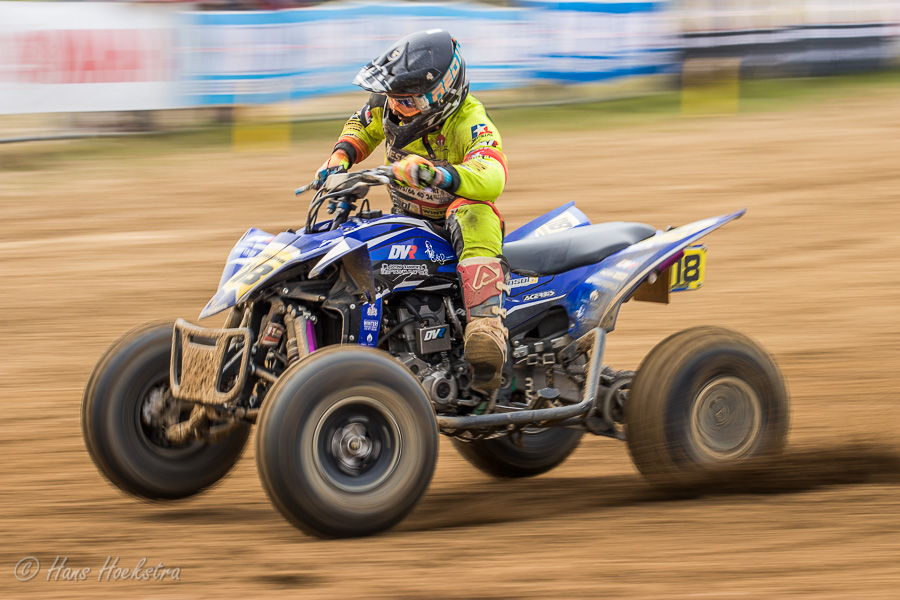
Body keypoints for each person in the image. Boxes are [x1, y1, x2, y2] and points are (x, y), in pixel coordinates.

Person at [316, 29, 509, 391]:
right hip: (409, 219)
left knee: (473, 210)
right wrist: (340, 156)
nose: (394, 107)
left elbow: (492, 174)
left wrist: (437, 174)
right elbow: (362, 126)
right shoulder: (388, 104)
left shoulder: (469, 120)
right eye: (392, 97)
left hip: (455, 225)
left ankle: (486, 326)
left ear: (441, 95)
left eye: (405, 100)